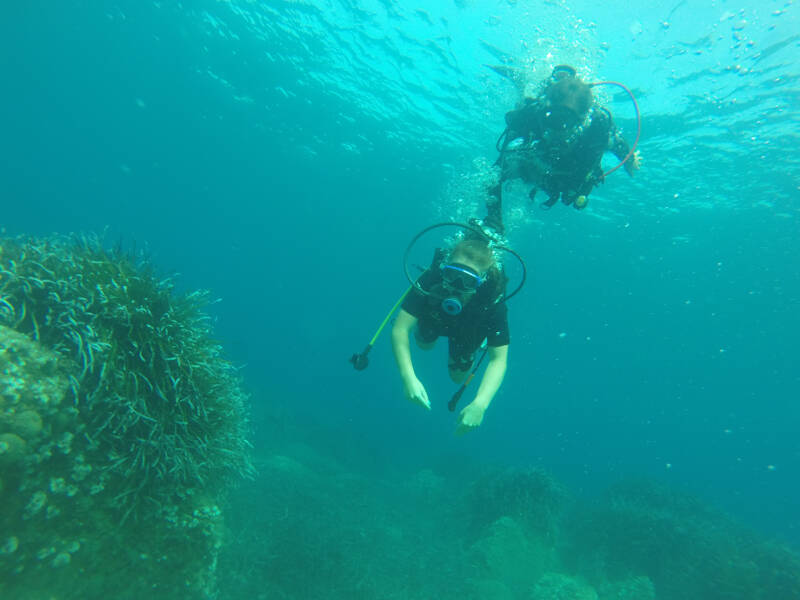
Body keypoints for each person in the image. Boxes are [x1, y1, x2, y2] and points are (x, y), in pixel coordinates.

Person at [482, 65, 641, 233]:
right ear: (545, 111)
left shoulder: (597, 129)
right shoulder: (531, 117)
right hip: (533, 165)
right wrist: (494, 217)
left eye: (566, 122)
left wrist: (630, 160)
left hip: (567, 176)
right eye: (553, 120)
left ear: (582, 120)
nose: (558, 130)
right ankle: (523, 84)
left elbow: (619, 145)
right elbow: (494, 176)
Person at [391, 238, 509, 433]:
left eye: (469, 280)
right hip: (434, 317)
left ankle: (476, 344)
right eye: (452, 273)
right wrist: (408, 377)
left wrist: (480, 404)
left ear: (482, 281)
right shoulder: (430, 280)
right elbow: (400, 329)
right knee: (424, 344)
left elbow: (498, 360)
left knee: (458, 377)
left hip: (469, 329)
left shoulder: (492, 304)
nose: (457, 285)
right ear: (444, 268)